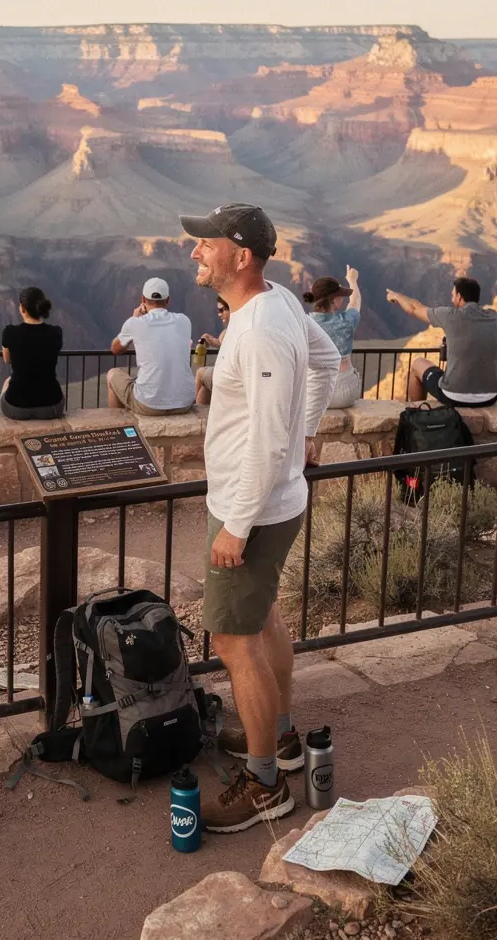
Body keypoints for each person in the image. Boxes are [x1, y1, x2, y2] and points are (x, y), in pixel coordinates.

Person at [180, 203, 337, 833]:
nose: (195, 252)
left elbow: (269, 444)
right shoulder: (278, 305)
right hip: (274, 501)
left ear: (240, 256)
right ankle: (283, 737)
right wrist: (307, 430)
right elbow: (328, 364)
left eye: (205, 244)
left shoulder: (260, 328)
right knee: (263, 616)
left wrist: (236, 525)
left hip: (257, 510)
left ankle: (264, 781)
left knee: (233, 640)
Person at [386, 277, 497, 407]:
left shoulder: (450, 315)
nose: (451, 299)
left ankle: (418, 413)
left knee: (417, 364)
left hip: (455, 395)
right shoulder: (493, 316)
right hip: (490, 396)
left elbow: (414, 308)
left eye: (453, 295)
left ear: (459, 296)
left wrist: (397, 296)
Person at [107, 277, 194, 415]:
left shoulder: (135, 323)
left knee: (112, 374)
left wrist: (134, 318)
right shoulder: (184, 320)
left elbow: (115, 349)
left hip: (149, 404)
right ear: (168, 300)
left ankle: (118, 426)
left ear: (143, 299)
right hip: (185, 402)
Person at [0, 286, 65, 420]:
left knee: (8, 381)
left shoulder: (10, 332)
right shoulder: (56, 333)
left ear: (22, 308)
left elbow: (7, 360)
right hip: (52, 407)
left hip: (16, 408)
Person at [303, 267, 362, 409]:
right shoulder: (347, 321)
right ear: (335, 300)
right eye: (340, 297)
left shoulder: (303, 324)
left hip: (314, 394)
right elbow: (355, 302)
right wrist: (352, 280)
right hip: (346, 394)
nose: (342, 299)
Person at [195, 297, 230, 405]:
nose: (219, 315)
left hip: (228, 378)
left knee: (200, 373)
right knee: (205, 387)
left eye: (221, 310)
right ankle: (202, 412)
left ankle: (195, 410)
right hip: (235, 377)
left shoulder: (229, 330)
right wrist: (215, 342)